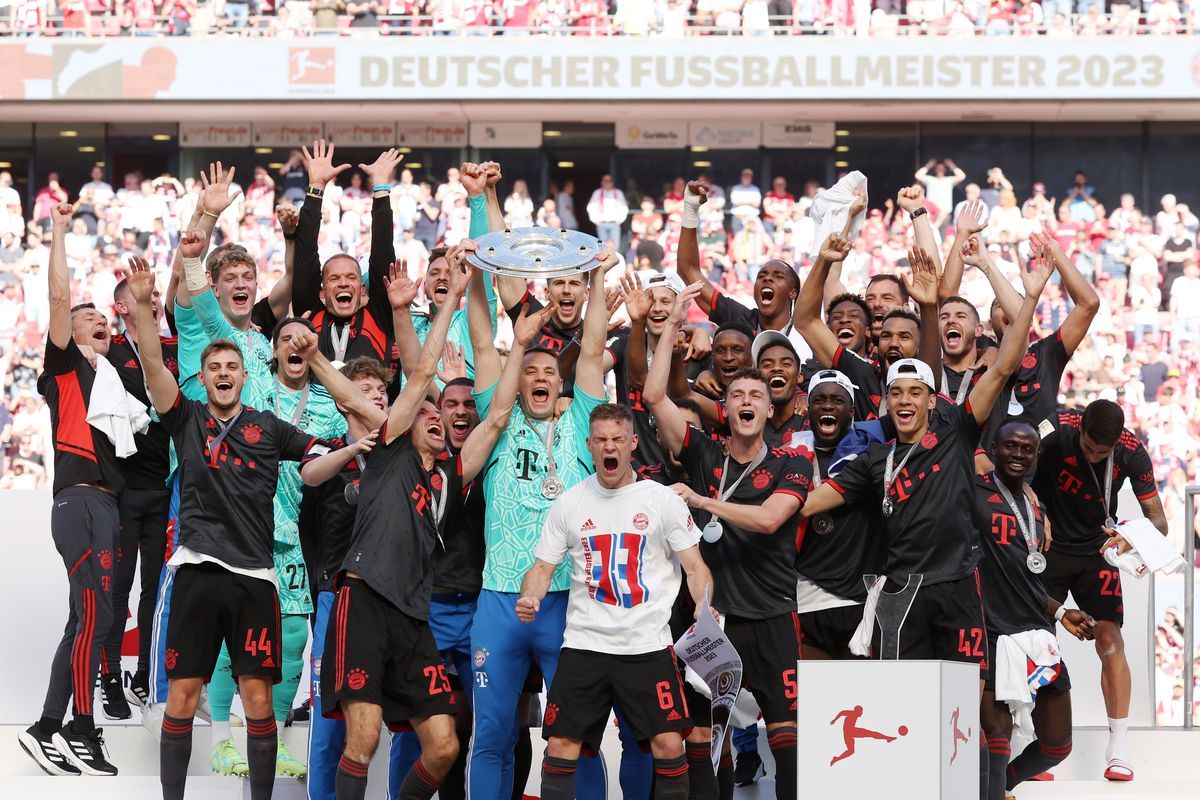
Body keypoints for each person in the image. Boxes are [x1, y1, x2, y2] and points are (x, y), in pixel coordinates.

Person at [122, 257, 358, 800]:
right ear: (202, 378)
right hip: (198, 573)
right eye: (214, 368)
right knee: (183, 696)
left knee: (257, 699)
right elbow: (155, 366)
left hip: (256, 579)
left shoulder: (269, 427)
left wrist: (349, 449)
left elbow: (313, 466)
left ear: (244, 376)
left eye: (232, 366)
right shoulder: (185, 418)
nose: (224, 374)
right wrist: (141, 301)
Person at [797, 247, 1052, 674]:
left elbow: (1005, 364)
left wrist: (1029, 298)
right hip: (901, 588)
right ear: (886, 402)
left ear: (932, 401)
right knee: (901, 697)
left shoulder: (957, 431)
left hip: (958, 581)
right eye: (897, 392)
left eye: (915, 392)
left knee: (966, 697)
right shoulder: (874, 460)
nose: (905, 400)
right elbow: (807, 504)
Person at [646, 282, 814, 800]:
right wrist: (672, 324)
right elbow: (654, 396)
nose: (746, 401)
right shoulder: (705, 453)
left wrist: (703, 502)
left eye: (756, 397)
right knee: (703, 736)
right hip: (710, 619)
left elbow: (768, 520)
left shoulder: (793, 460)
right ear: (728, 407)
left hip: (770, 617)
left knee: (787, 740)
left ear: (769, 411)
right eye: (737, 394)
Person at [463, 246, 619, 800]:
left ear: (562, 384)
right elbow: (484, 343)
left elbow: (595, 346)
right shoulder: (496, 419)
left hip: (567, 601)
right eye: (529, 370)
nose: (539, 377)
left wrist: (598, 277)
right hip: (500, 598)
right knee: (493, 736)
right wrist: (478, 275)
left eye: (549, 372)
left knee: (576, 736)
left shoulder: (582, 421)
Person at [517, 402, 713, 800]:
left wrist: (704, 609)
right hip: (585, 645)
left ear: (633, 443)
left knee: (670, 745)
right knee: (558, 748)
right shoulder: (569, 503)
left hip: (646, 646)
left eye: (618, 439)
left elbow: (696, 567)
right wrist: (529, 598)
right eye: (602, 440)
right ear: (589, 445)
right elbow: (541, 568)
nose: (610, 447)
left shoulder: (661, 500)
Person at [206, 317, 348, 780]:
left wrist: (322, 362)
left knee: (291, 638)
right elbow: (210, 322)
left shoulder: (327, 406)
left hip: (290, 534)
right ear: (270, 350)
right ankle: (222, 741)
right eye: (286, 338)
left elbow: (359, 410)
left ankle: (276, 739)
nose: (295, 345)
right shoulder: (254, 384)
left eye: (304, 340)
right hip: (240, 529)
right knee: (233, 637)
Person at [19, 202, 123, 778]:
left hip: (104, 504)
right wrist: (59, 232)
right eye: (92, 320)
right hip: (80, 501)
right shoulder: (65, 366)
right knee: (96, 620)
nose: (100, 323)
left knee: (85, 622)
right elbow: (59, 298)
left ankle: (47, 726)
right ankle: (80, 727)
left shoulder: (113, 380)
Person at [1032, 399, 1168, 783]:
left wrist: (1126, 539)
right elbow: (1013, 470)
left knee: (1110, 641)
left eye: (1101, 453)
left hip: (1096, 552)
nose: (1093, 456)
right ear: (1080, 430)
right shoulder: (1056, 429)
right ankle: (1031, 742)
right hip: (1048, 548)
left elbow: (1159, 522)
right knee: (1035, 642)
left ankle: (1118, 750)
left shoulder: (1131, 451)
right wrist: (1033, 511)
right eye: (1089, 447)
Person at [976, 420, 1097, 800]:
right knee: (997, 732)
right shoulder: (971, 493)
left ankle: (1000, 787)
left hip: (1035, 629)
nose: (1018, 454)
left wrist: (1061, 612)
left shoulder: (1035, 504)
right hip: (990, 630)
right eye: (1010, 446)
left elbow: (1025, 578)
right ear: (993, 449)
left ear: (1036, 456)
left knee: (1057, 744)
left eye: (1027, 449)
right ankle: (990, 792)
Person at [99, 274, 180, 719]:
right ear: (123, 308)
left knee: (155, 590)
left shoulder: (169, 349)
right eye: (141, 297)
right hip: (124, 488)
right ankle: (110, 674)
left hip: (164, 488)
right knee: (118, 589)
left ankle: (146, 676)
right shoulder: (107, 349)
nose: (151, 300)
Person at [794, 369, 885, 661]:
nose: (828, 406)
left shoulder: (872, 454)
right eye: (819, 400)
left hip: (862, 599)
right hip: (808, 596)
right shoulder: (789, 455)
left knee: (860, 702)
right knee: (813, 701)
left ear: (852, 410)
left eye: (837, 400)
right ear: (807, 409)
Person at [293, 142, 407, 370]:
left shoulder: (380, 316)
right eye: (334, 279)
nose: (343, 282)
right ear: (322, 292)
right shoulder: (310, 313)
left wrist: (381, 188)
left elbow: (382, 253)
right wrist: (316, 187)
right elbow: (305, 254)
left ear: (363, 290)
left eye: (351, 277)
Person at [586, 174, 629, 249]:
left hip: (614, 224)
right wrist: (594, 220)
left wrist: (620, 220)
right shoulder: (597, 192)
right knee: (602, 248)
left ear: (612, 182)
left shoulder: (618, 193)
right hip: (601, 224)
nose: (608, 183)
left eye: (609, 181)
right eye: (605, 181)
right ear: (602, 182)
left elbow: (624, 207)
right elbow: (591, 207)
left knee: (615, 247)